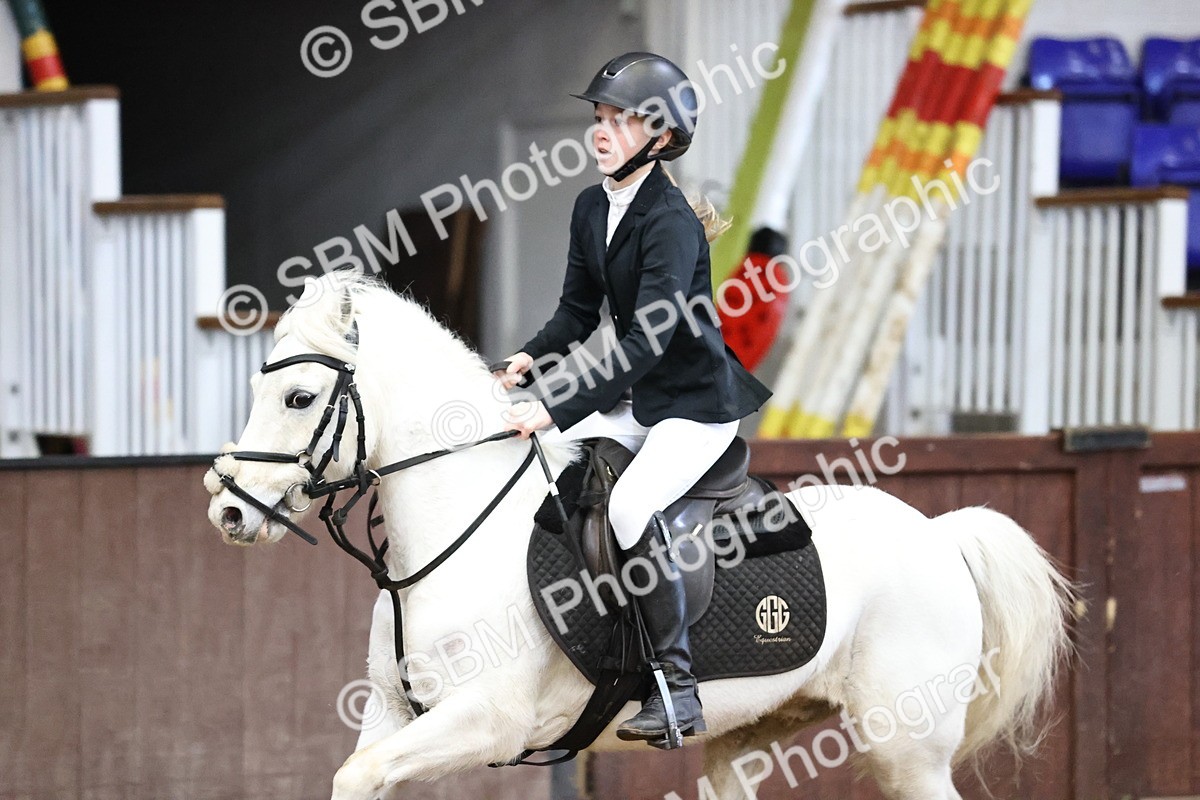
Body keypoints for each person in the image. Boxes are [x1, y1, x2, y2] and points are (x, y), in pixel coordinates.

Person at [492, 52, 772, 746]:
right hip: (640, 399)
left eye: (620, 120)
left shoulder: (670, 221)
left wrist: (556, 405)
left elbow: (645, 342)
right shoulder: (592, 207)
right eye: (599, 117)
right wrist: (530, 357)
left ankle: (677, 689)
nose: (601, 130)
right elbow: (576, 313)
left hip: (695, 406)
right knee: (537, 457)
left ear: (662, 137)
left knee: (629, 506)